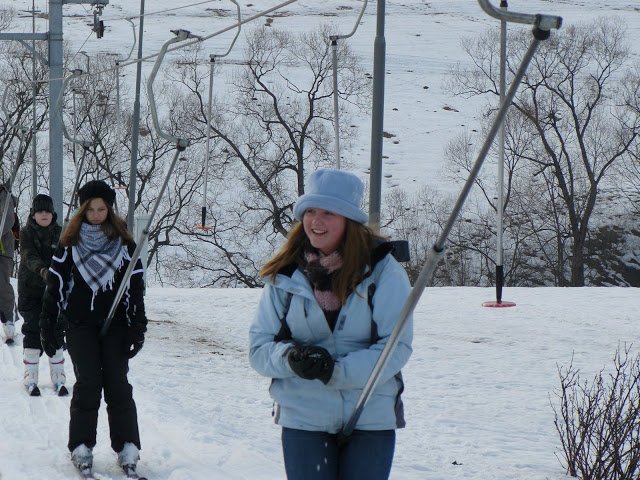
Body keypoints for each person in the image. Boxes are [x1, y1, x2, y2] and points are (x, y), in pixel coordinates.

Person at [249, 168, 413, 480]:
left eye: (328, 212)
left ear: (348, 220)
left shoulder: (383, 271)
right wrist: (291, 359)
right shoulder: (285, 275)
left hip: (369, 413)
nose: (316, 221)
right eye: (310, 211)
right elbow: (259, 349)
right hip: (304, 414)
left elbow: (396, 346)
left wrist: (335, 371)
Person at [39, 180, 147, 476]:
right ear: (82, 210)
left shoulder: (124, 244)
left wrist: (137, 325)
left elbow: (136, 286)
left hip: (116, 324)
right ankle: (81, 445)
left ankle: (127, 445)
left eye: (102, 209)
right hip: (80, 324)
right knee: (88, 383)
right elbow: (55, 285)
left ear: (109, 210)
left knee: (118, 383)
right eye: (91, 209)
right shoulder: (69, 243)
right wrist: (48, 323)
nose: (96, 215)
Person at [18, 194, 66, 396]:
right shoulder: (26, 233)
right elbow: (28, 256)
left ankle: (58, 375)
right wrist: (45, 272)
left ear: (52, 213)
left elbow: (67, 256)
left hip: (55, 291)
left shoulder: (61, 232)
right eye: (40, 211)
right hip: (30, 289)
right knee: (32, 329)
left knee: (56, 329)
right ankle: (30, 374)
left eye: (47, 211)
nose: (44, 214)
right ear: (33, 214)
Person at [0, 182, 17, 343]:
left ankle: (8, 320)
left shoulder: (5, 195)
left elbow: (7, 220)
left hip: (3, 249)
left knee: (2, 284)